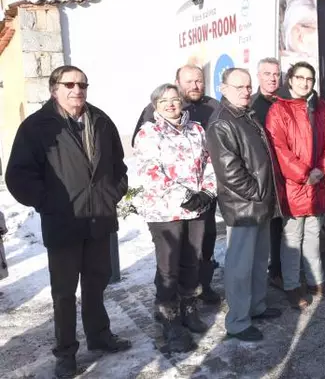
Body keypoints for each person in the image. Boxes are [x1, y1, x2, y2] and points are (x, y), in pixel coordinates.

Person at [5, 66, 131, 378]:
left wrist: (111, 194)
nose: (78, 90)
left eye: (83, 84)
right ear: (54, 89)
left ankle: (99, 335)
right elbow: (18, 176)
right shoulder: (37, 127)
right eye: (70, 84)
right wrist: (49, 202)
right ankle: (65, 353)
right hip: (64, 223)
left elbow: (118, 165)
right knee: (64, 293)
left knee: (96, 283)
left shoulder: (100, 120)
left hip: (99, 219)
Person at [133, 83, 216, 352]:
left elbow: (209, 162)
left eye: (175, 99)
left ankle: (189, 309)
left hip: (197, 208)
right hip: (165, 210)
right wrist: (185, 195)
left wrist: (207, 192)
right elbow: (150, 171)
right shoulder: (148, 133)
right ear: (155, 105)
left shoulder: (196, 130)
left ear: (182, 103)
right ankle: (170, 320)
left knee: (193, 261)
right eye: (163, 101)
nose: (170, 104)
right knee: (169, 267)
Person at [206, 68, 283, 342]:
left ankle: (256, 306)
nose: (245, 91)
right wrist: (258, 191)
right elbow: (230, 171)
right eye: (238, 87)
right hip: (243, 207)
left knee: (259, 260)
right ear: (223, 88)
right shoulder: (222, 122)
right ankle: (238, 321)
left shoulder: (245, 115)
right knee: (239, 267)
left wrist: (263, 194)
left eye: (248, 86)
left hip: (259, 203)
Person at [265, 62, 325, 309]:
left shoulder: (322, 107)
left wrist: (322, 169)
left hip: (319, 184)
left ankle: (315, 281)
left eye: (309, 78)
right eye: (299, 77)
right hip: (293, 187)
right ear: (290, 80)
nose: (304, 82)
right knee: (292, 239)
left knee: (312, 236)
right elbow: (278, 148)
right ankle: (291, 285)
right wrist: (304, 174)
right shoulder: (278, 110)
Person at [249, 58, 284, 289]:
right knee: (269, 225)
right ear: (258, 76)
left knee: (284, 225)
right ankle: (271, 272)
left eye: (276, 74)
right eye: (267, 73)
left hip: (289, 172)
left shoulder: (287, 101)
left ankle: (281, 268)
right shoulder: (251, 106)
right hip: (264, 174)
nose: (272, 78)